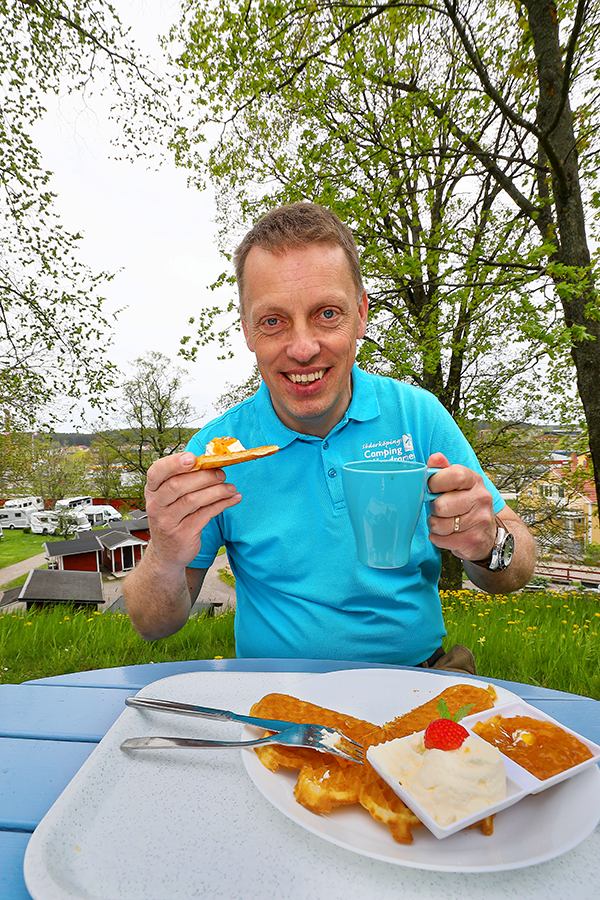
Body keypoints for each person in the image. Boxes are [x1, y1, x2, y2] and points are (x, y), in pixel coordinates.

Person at [123, 202, 536, 666]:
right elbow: (152, 625)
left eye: (326, 313)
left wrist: (486, 545)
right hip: (275, 704)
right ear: (247, 331)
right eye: (273, 321)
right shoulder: (217, 454)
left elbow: (514, 571)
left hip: (419, 686)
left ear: (360, 314)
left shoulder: (417, 416)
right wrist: (163, 553)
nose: (302, 348)